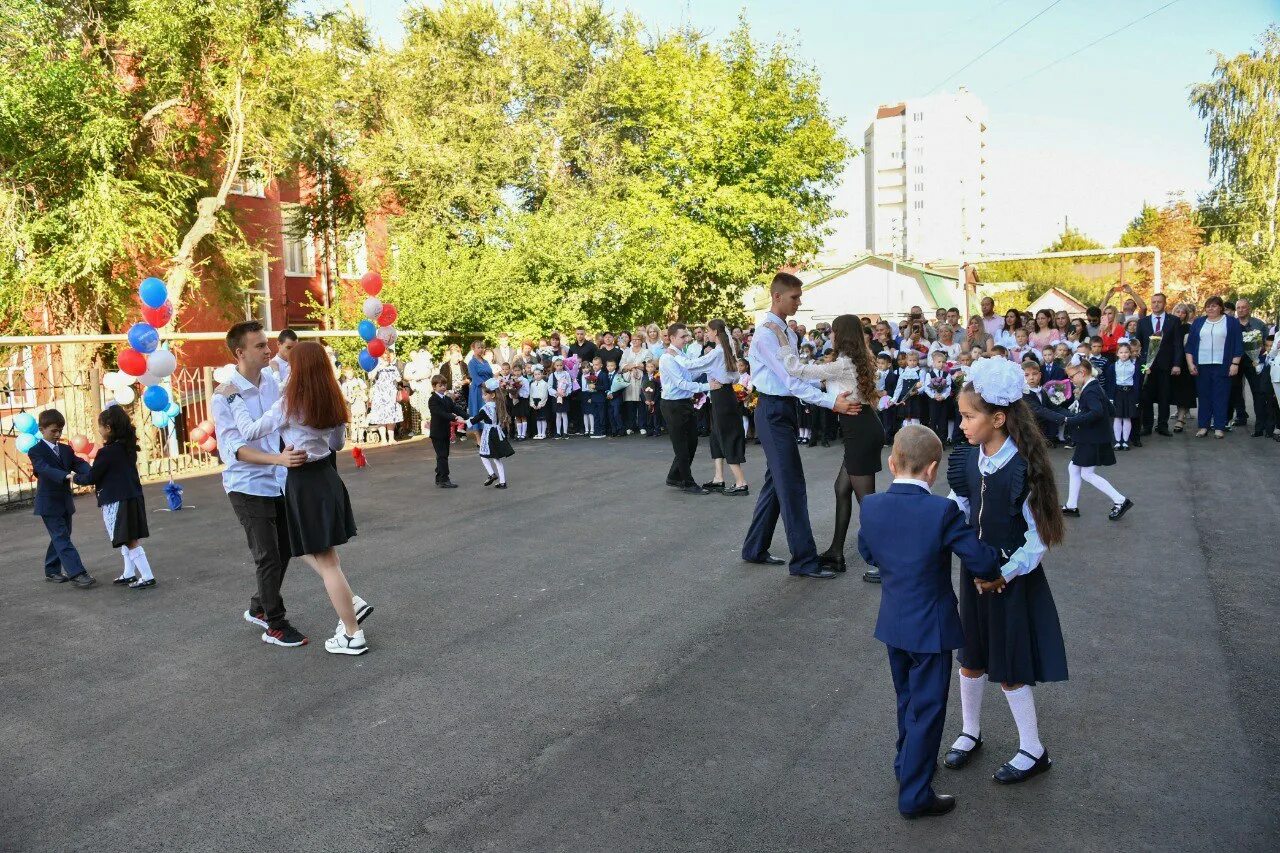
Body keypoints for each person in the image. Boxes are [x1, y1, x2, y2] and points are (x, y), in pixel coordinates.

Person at [857, 426, 1001, 819]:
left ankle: (907, 765)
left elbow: (868, 552)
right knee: (928, 707)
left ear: (891, 463)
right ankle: (915, 795)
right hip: (932, 628)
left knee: (907, 700)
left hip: (893, 622)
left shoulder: (871, 505)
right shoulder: (942, 510)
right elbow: (982, 560)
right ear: (933, 470)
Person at [943, 356, 1068, 785]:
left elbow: (1037, 539)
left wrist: (1005, 573)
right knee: (971, 659)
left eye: (968, 416)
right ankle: (970, 731)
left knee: (1011, 669)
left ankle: (1033, 749)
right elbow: (957, 510)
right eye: (961, 416)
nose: (961, 424)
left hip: (1009, 580)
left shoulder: (1022, 468)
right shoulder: (966, 460)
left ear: (997, 419)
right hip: (974, 574)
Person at [219, 341, 371, 655]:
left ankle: (352, 633)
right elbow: (337, 444)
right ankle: (351, 611)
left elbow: (250, 431)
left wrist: (233, 398)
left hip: (303, 480)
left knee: (326, 562)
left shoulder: (291, 401)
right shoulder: (333, 398)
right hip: (326, 477)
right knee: (326, 557)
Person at [741, 273, 858, 579]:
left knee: (776, 482)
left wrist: (832, 389)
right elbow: (792, 381)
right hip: (772, 410)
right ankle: (804, 561)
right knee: (791, 484)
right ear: (777, 296)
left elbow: (801, 373)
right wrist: (832, 402)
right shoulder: (767, 334)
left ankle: (754, 548)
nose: (799, 302)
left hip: (783, 410)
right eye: (794, 297)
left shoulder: (787, 333)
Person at [212, 321, 320, 648]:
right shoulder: (225, 395)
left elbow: (283, 418)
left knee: (285, 547)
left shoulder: (271, 380)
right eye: (259, 345)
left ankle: (259, 605)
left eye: (265, 343)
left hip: (277, 479)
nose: (267, 349)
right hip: (247, 484)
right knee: (267, 554)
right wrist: (278, 460)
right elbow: (233, 449)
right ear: (240, 352)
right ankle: (275, 623)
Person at [767, 313, 883, 578]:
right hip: (861, 427)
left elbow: (796, 369)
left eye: (833, 331)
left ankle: (883, 562)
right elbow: (816, 380)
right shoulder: (852, 360)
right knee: (841, 489)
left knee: (868, 502)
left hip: (860, 430)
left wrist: (784, 340)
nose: (830, 334)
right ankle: (835, 552)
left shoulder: (843, 363)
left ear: (841, 334)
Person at [73, 404, 155, 588]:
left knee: (127, 537)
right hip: (132, 496)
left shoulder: (107, 452)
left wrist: (75, 477)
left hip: (118, 500)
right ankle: (129, 573)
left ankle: (147, 575)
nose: (99, 430)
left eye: (100, 426)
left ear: (108, 428)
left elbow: (93, 476)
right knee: (126, 536)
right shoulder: (127, 448)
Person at [1048, 357, 1134, 519]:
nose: (1070, 380)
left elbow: (1097, 412)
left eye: (1072, 377)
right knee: (1074, 468)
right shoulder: (1094, 386)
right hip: (1093, 437)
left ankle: (1120, 500)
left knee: (1086, 473)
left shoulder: (1091, 390)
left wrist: (1071, 420)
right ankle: (1071, 506)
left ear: (1082, 372)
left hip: (1092, 438)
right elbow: (1110, 408)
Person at [28, 408, 95, 588]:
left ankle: (51, 570)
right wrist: (65, 476)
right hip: (48, 503)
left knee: (61, 536)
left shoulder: (65, 450)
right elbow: (44, 469)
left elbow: (78, 463)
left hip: (65, 502)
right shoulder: (36, 451)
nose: (57, 434)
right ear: (42, 430)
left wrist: (93, 472)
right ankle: (78, 573)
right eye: (53, 431)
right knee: (61, 537)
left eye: (60, 430)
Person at [658, 323, 721, 494]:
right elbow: (680, 383)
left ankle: (674, 476)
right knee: (682, 445)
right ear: (671, 338)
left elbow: (689, 374)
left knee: (692, 441)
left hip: (684, 403)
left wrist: (708, 368)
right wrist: (707, 386)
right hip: (673, 405)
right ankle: (687, 482)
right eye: (682, 336)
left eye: (687, 335)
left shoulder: (680, 353)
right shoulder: (667, 357)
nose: (687, 339)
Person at [1185, 296, 1244, 438]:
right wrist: (1190, 363)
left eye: (1214, 306)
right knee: (1204, 396)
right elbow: (1190, 346)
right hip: (1202, 366)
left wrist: (1235, 364)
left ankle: (1219, 426)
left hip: (1222, 365)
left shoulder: (1231, 322)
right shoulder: (1198, 322)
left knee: (1221, 396)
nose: (1210, 309)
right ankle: (1203, 426)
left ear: (1221, 308)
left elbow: (1238, 344)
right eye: (1208, 306)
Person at [702, 318, 749, 496]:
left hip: (722, 396)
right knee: (716, 436)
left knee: (726, 435)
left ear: (715, 332)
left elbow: (696, 365)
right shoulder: (726, 350)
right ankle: (718, 478)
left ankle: (740, 482)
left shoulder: (717, 352)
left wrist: (674, 359)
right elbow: (736, 377)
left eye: (708, 330)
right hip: (723, 395)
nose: (707, 333)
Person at [1135, 292, 1184, 437]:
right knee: (1147, 398)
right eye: (1154, 302)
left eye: (1159, 302)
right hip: (1147, 366)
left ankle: (1163, 426)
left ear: (1165, 304)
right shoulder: (1143, 322)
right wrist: (1139, 363)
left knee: (1164, 396)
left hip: (1166, 365)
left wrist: (1177, 364)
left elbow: (1178, 345)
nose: (1156, 304)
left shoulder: (1174, 321)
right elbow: (1138, 345)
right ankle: (1147, 426)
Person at [1230, 298, 1268, 431]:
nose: (1241, 310)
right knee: (1235, 389)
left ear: (1249, 309)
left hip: (1254, 362)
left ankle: (1261, 421)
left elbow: (1266, 343)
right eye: (1238, 307)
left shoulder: (1259, 324)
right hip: (1235, 362)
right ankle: (1240, 416)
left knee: (1257, 391)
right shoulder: (1231, 323)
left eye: (1244, 307)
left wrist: (1261, 357)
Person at [470, 377, 514, 488]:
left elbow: (475, 419)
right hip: (497, 431)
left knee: (483, 454)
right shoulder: (498, 405)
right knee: (496, 458)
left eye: (484, 394)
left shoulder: (486, 408)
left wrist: (463, 421)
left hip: (489, 433)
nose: (483, 396)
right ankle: (502, 482)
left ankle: (491, 474)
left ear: (492, 395)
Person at [427, 375, 468, 488]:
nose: (443, 387)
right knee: (442, 455)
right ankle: (444, 479)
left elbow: (456, 409)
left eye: (444, 385)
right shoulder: (433, 399)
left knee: (444, 455)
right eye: (440, 385)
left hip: (445, 431)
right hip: (437, 432)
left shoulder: (447, 399)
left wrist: (468, 417)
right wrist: (454, 417)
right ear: (434, 387)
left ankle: (439, 477)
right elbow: (439, 413)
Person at [1169, 302, 1198, 431]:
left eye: (1183, 312)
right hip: (1170, 362)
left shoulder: (1189, 328)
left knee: (1184, 392)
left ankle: (1181, 419)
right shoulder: (1168, 326)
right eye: (1177, 311)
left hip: (1185, 364)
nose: (1180, 314)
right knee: (1172, 391)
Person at [1105, 342, 1139, 450]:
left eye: (1126, 352)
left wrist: (1136, 398)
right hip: (1117, 393)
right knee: (1117, 417)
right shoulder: (1113, 366)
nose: (1124, 354)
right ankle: (1117, 441)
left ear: (1130, 353)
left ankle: (1125, 441)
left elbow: (1137, 382)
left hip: (1129, 393)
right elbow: (1110, 382)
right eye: (1121, 352)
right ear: (1117, 354)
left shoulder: (1134, 366)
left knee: (1127, 417)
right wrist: (1110, 397)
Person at [368, 351, 403, 444]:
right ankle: (383, 439)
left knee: (391, 416)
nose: (386, 360)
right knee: (381, 416)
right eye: (383, 358)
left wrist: (398, 376)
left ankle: (391, 438)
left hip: (391, 395)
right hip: (380, 395)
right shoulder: (376, 367)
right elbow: (371, 377)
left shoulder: (393, 367)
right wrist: (378, 367)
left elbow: (399, 379)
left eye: (387, 358)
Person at [465, 340, 494, 418]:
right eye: (478, 347)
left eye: (482, 347)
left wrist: (493, 384)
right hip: (478, 389)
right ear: (473, 349)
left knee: (489, 411)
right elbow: (475, 377)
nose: (481, 349)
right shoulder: (471, 363)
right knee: (479, 410)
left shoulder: (486, 362)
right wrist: (486, 386)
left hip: (488, 389)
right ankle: (477, 429)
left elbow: (491, 375)